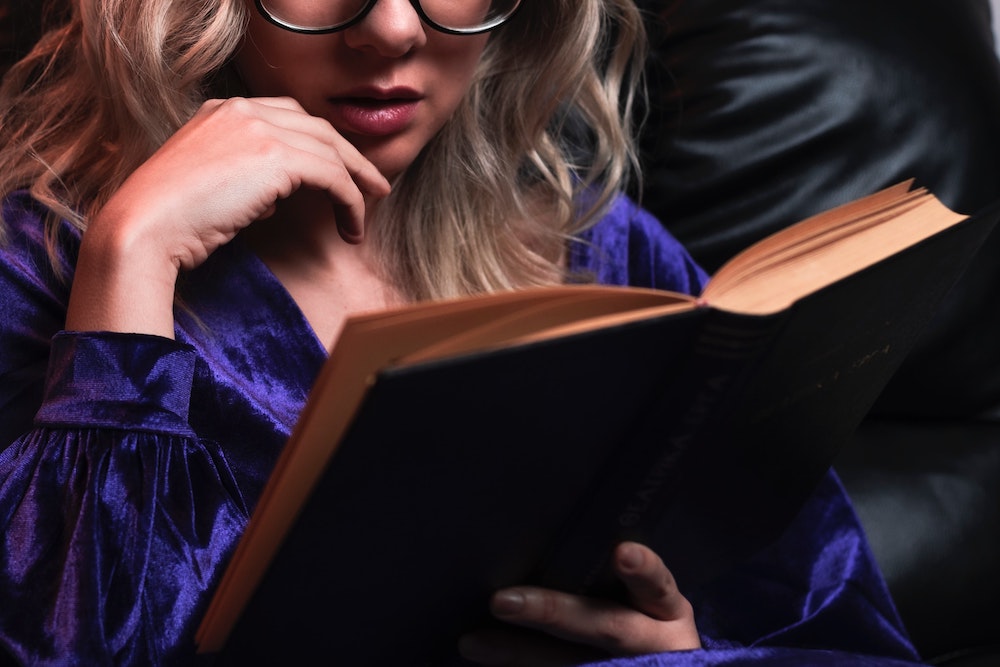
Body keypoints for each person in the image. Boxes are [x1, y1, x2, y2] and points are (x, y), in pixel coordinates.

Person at [0, 0, 927, 665]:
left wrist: (684, 656)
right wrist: (130, 261)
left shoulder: (599, 247)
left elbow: (833, 622)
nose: (395, 27)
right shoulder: (40, 266)